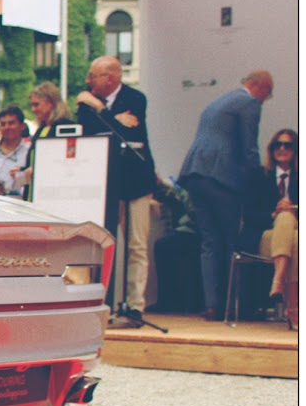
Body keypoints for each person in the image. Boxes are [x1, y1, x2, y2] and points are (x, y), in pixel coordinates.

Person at [177, 70, 274, 320]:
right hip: (221, 176)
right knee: (233, 240)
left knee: (209, 241)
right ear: (261, 87)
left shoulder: (218, 102)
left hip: (195, 173)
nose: (265, 100)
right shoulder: (249, 102)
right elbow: (249, 144)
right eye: (268, 94)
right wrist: (259, 179)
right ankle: (234, 305)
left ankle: (212, 304)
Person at [75, 55, 155, 322]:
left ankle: (135, 305)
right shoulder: (85, 102)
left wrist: (100, 108)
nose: (88, 80)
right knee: (104, 243)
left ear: (110, 78)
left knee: (136, 244)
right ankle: (102, 301)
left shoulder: (135, 98)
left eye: (93, 75)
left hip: (136, 182)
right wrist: (110, 116)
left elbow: (128, 133)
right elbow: (90, 131)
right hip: (106, 184)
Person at [249, 128, 298, 314]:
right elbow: (249, 213)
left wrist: (292, 211)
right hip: (267, 235)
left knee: (292, 229)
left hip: (295, 230)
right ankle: (294, 308)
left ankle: (277, 281)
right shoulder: (259, 176)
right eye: (278, 144)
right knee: (295, 239)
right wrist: (273, 214)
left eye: (288, 145)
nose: (282, 149)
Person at [16, 82, 73, 200]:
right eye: (32, 105)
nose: (33, 109)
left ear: (50, 103)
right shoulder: (41, 129)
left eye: (36, 105)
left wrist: (37, 170)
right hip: (34, 194)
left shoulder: (65, 128)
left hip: (53, 196)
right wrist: (21, 172)